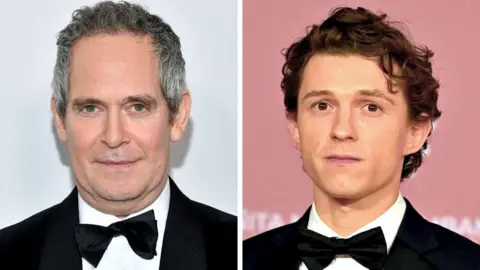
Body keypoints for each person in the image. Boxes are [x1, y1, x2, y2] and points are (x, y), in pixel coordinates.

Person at [0, 1, 236, 269]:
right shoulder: (8, 254)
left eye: (137, 107)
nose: (114, 137)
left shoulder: (235, 250)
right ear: (60, 119)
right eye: (90, 108)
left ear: (177, 116)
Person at [243, 6, 480, 270]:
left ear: (415, 132)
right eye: (323, 106)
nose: (342, 130)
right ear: (295, 128)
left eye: (371, 107)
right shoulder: (243, 260)